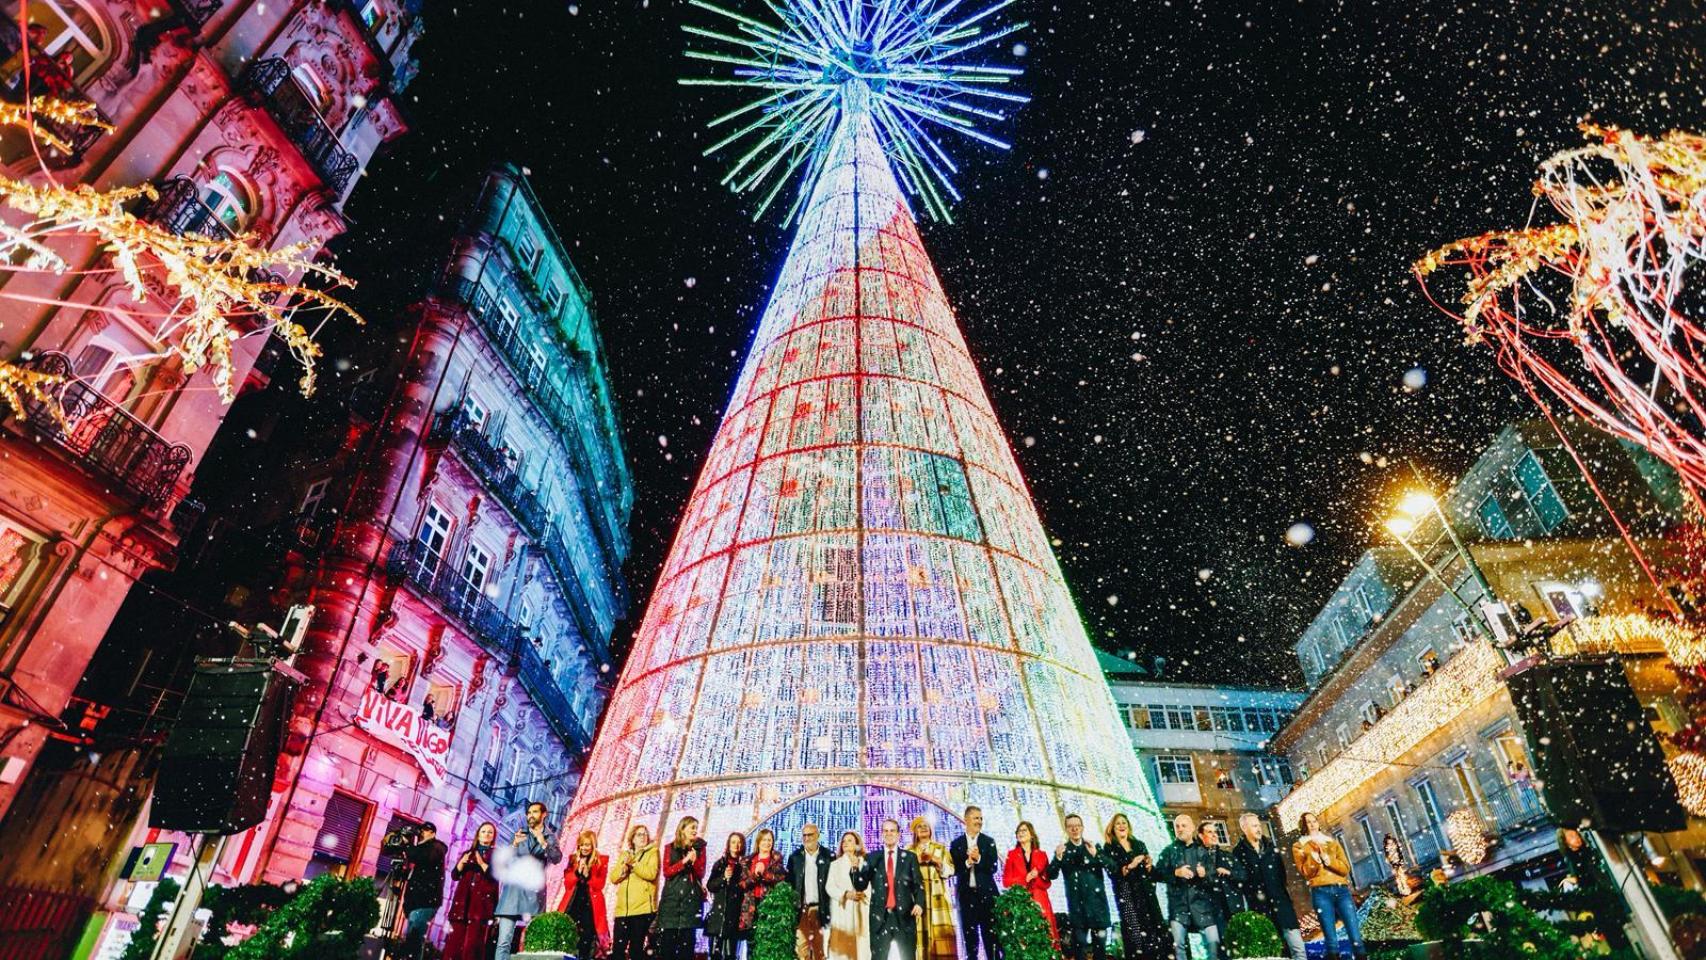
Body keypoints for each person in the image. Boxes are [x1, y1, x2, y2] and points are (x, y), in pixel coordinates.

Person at [1227, 814, 1303, 960]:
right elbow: (1243, 881)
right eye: (1254, 826)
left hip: (1282, 905)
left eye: (1258, 825)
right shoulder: (1238, 853)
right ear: (1244, 828)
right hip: (1260, 908)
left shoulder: (1271, 848)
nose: (1258, 829)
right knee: (1275, 952)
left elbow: (1282, 874)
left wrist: (1280, 893)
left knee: (1297, 946)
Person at [494, 802, 565, 960]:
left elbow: (557, 858)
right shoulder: (519, 833)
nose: (530, 815)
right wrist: (513, 845)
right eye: (529, 813)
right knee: (503, 942)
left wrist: (543, 842)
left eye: (534, 812)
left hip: (534, 894)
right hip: (513, 893)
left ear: (544, 814)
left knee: (532, 943)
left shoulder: (550, 837)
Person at [1292, 813, 1365, 960]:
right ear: (1303, 826)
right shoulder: (1299, 846)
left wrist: (1328, 859)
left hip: (1342, 890)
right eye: (1308, 822)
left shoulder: (1331, 842)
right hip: (1320, 892)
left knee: (1355, 936)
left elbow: (1345, 868)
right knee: (1331, 940)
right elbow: (1305, 872)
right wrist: (1314, 859)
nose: (1312, 824)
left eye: (1314, 821)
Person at [852, 818, 925, 960]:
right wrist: (855, 869)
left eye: (892, 830)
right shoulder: (872, 858)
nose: (889, 833)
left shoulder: (910, 857)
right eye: (885, 831)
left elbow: (918, 885)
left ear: (898, 835)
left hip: (904, 917)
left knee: (908, 956)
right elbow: (860, 885)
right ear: (881, 834)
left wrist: (919, 903)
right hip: (880, 918)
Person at [1101, 813, 1166, 960]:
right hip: (1126, 893)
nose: (1122, 825)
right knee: (1134, 931)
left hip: (1145, 891)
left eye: (1124, 822)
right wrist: (1131, 865)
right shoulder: (1109, 848)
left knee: (1153, 928)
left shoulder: (1139, 844)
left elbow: (1150, 871)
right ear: (1113, 828)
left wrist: (1148, 865)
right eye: (1118, 823)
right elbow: (1113, 872)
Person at [1155, 814, 1220, 960]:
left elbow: (1213, 879)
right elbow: (1156, 873)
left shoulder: (1202, 851)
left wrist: (1204, 875)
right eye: (1177, 826)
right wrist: (1175, 873)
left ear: (1191, 828)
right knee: (1179, 948)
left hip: (1202, 906)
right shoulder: (1169, 851)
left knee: (1213, 943)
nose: (1179, 829)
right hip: (1178, 906)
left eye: (1183, 826)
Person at [1050, 814, 1109, 960]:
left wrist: (1097, 855)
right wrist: (1057, 858)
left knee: (1100, 950)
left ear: (1082, 827)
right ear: (1066, 829)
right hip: (1078, 910)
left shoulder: (1093, 847)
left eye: (1077, 825)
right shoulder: (1063, 850)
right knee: (1080, 949)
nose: (1075, 828)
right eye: (1070, 826)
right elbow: (1051, 874)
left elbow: (1112, 868)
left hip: (1097, 908)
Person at [949, 806, 1001, 960]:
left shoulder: (988, 841)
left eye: (980, 818)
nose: (979, 821)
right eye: (975, 818)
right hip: (966, 898)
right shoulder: (956, 843)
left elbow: (993, 867)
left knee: (991, 938)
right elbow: (954, 869)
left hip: (987, 897)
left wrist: (978, 859)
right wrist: (967, 862)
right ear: (966, 820)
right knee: (970, 939)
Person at [444, 822, 500, 960]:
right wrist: (462, 863)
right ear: (478, 835)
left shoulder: (496, 855)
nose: (486, 834)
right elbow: (454, 876)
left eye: (490, 832)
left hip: (481, 906)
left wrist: (481, 863)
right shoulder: (468, 853)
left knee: (473, 946)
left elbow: (495, 876)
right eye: (483, 831)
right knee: (454, 944)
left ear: (493, 837)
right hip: (462, 904)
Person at [657, 817, 708, 960]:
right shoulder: (670, 848)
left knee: (687, 943)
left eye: (696, 827)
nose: (695, 830)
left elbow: (701, 873)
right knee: (668, 944)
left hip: (690, 901)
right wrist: (684, 862)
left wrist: (694, 859)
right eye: (692, 827)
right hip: (672, 900)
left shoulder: (700, 848)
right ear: (682, 829)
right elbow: (667, 872)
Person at [1001, 821, 1057, 947]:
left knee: (1045, 935)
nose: (1020, 833)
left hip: (1040, 899)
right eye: (1018, 831)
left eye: (1024, 830)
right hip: (1021, 900)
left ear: (1032, 835)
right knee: (1023, 938)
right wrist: (1024, 879)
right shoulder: (1012, 855)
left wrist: (1036, 877)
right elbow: (1006, 881)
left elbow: (1047, 883)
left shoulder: (1042, 855)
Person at [907, 816, 956, 960]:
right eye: (919, 826)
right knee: (919, 937)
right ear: (914, 831)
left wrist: (936, 861)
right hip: (916, 899)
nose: (923, 828)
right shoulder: (909, 851)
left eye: (926, 826)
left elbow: (950, 871)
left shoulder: (940, 848)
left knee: (940, 936)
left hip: (938, 898)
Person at [557, 830, 609, 960]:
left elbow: (600, 885)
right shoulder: (573, 859)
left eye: (587, 845)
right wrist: (576, 872)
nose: (584, 848)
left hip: (590, 907)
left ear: (593, 845)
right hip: (573, 904)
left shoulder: (601, 861)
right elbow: (567, 883)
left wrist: (588, 876)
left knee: (586, 939)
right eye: (582, 844)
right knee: (568, 937)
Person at [610, 824, 660, 960]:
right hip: (623, 910)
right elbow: (613, 878)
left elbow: (651, 874)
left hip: (641, 910)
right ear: (632, 838)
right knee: (618, 950)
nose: (643, 837)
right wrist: (624, 868)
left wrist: (634, 864)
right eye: (639, 834)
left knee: (636, 950)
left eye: (645, 834)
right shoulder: (625, 855)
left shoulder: (653, 852)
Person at [401, 822, 449, 960]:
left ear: (433, 833)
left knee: (414, 939)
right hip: (418, 901)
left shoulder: (436, 847)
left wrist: (408, 845)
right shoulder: (424, 848)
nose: (422, 833)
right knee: (413, 939)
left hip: (425, 901)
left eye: (426, 830)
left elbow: (421, 857)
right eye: (421, 830)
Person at [790, 823, 836, 960]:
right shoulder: (795, 858)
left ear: (818, 835)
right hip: (801, 910)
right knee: (801, 951)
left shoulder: (829, 856)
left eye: (810, 834)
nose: (807, 838)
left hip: (821, 909)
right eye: (804, 835)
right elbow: (790, 884)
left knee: (820, 951)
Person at [826, 830, 871, 960]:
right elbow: (829, 887)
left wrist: (861, 893)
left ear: (857, 844)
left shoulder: (865, 863)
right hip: (842, 909)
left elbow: (870, 886)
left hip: (861, 908)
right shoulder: (835, 865)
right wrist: (845, 894)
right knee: (843, 947)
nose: (845, 843)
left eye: (850, 840)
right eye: (844, 841)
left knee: (861, 946)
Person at [708, 832, 750, 960]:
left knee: (730, 954)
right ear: (728, 844)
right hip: (719, 918)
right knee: (715, 954)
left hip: (734, 917)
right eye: (733, 842)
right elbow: (710, 885)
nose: (736, 845)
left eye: (739, 842)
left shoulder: (744, 866)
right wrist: (723, 878)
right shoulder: (720, 864)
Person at [742, 828, 789, 940]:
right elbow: (743, 883)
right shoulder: (748, 861)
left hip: (769, 905)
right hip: (751, 906)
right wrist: (755, 876)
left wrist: (765, 875)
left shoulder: (776, 860)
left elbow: (781, 878)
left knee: (766, 940)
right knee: (751, 941)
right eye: (764, 840)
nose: (767, 843)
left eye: (769, 840)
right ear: (758, 842)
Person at [1195, 822, 1235, 939]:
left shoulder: (1226, 855)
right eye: (1210, 832)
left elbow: (1243, 875)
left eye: (1215, 832)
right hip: (1205, 908)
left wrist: (1228, 872)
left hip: (1227, 905)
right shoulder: (1194, 855)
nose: (1214, 835)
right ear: (1201, 836)